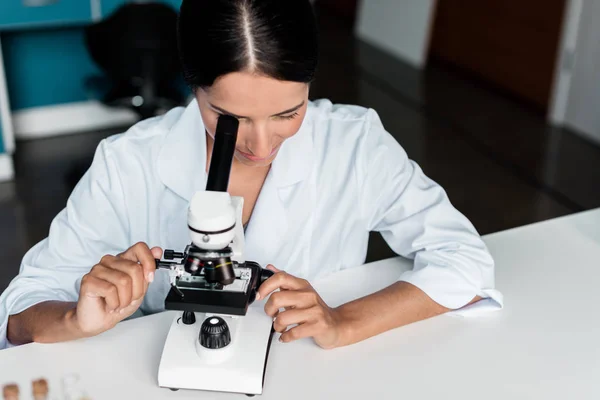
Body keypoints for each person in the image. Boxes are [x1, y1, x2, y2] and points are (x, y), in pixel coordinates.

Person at [0, 0, 502, 350]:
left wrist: (343, 322)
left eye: (288, 114)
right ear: (194, 87)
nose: (260, 147)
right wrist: (73, 317)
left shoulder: (355, 145)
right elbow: (19, 311)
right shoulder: (128, 162)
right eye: (229, 118)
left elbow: (463, 259)